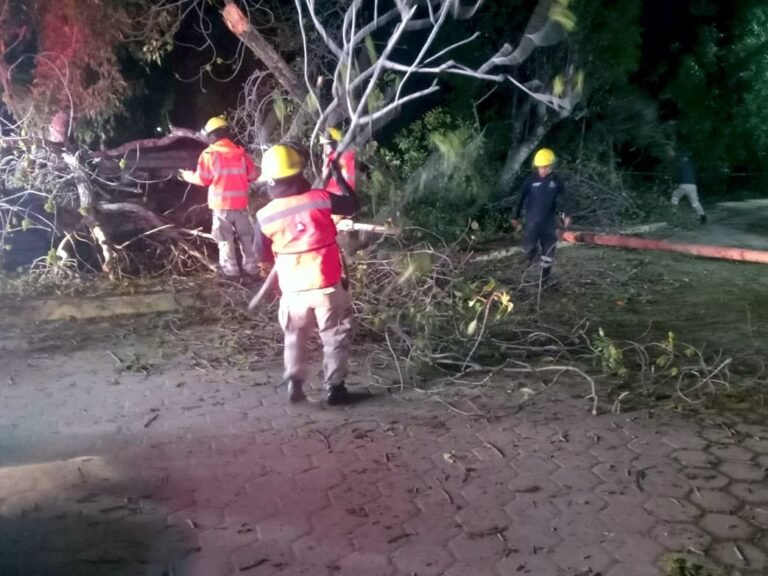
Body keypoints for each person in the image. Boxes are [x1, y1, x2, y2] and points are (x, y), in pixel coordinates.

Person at [253, 144, 360, 405]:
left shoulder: (265, 216)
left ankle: (294, 380)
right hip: (327, 286)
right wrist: (338, 175)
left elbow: (261, 254)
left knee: (294, 336)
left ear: (270, 181)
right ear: (300, 173)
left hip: (293, 291)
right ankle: (335, 388)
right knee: (334, 336)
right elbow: (353, 205)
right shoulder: (320, 198)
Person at [178, 115, 260, 277]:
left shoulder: (209, 155)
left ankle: (231, 271)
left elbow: (202, 179)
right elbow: (253, 175)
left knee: (225, 238)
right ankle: (252, 268)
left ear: (213, 135)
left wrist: (184, 175)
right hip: (241, 204)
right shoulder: (241, 154)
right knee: (246, 236)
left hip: (221, 205)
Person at [511, 147, 571, 282]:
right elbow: (520, 198)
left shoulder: (556, 181)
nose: (542, 170)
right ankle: (528, 261)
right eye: (540, 167)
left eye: (545, 167)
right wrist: (515, 217)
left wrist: (567, 215)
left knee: (549, 252)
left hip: (549, 222)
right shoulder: (531, 180)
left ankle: (544, 280)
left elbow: (565, 199)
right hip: (532, 222)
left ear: (551, 165)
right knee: (529, 249)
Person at [671, 153, 706, 224]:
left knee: (675, 196)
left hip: (683, 185)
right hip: (693, 186)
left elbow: (677, 174)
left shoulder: (680, 164)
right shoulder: (692, 163)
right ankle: (703, 217)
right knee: (695, 202)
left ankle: (673, 213)